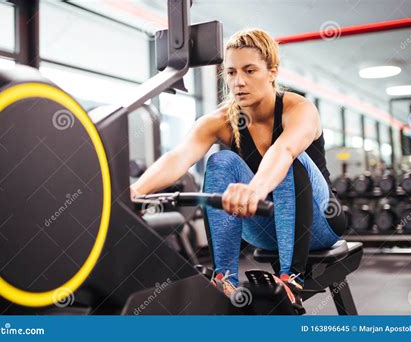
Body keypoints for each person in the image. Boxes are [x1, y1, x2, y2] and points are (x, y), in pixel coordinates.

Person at [131, 29, 346, 310]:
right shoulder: (221, 120)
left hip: (319, 222)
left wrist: (254, 190)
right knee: (220, 162)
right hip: (265, 225)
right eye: (231, 73)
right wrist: (133, 191)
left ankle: (291, 278)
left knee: (288, 162)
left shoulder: (298, 108)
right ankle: (225, 278)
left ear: (272, 72)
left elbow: (284, 151)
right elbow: (178, 157)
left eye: (250, 70)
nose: (239, 81)